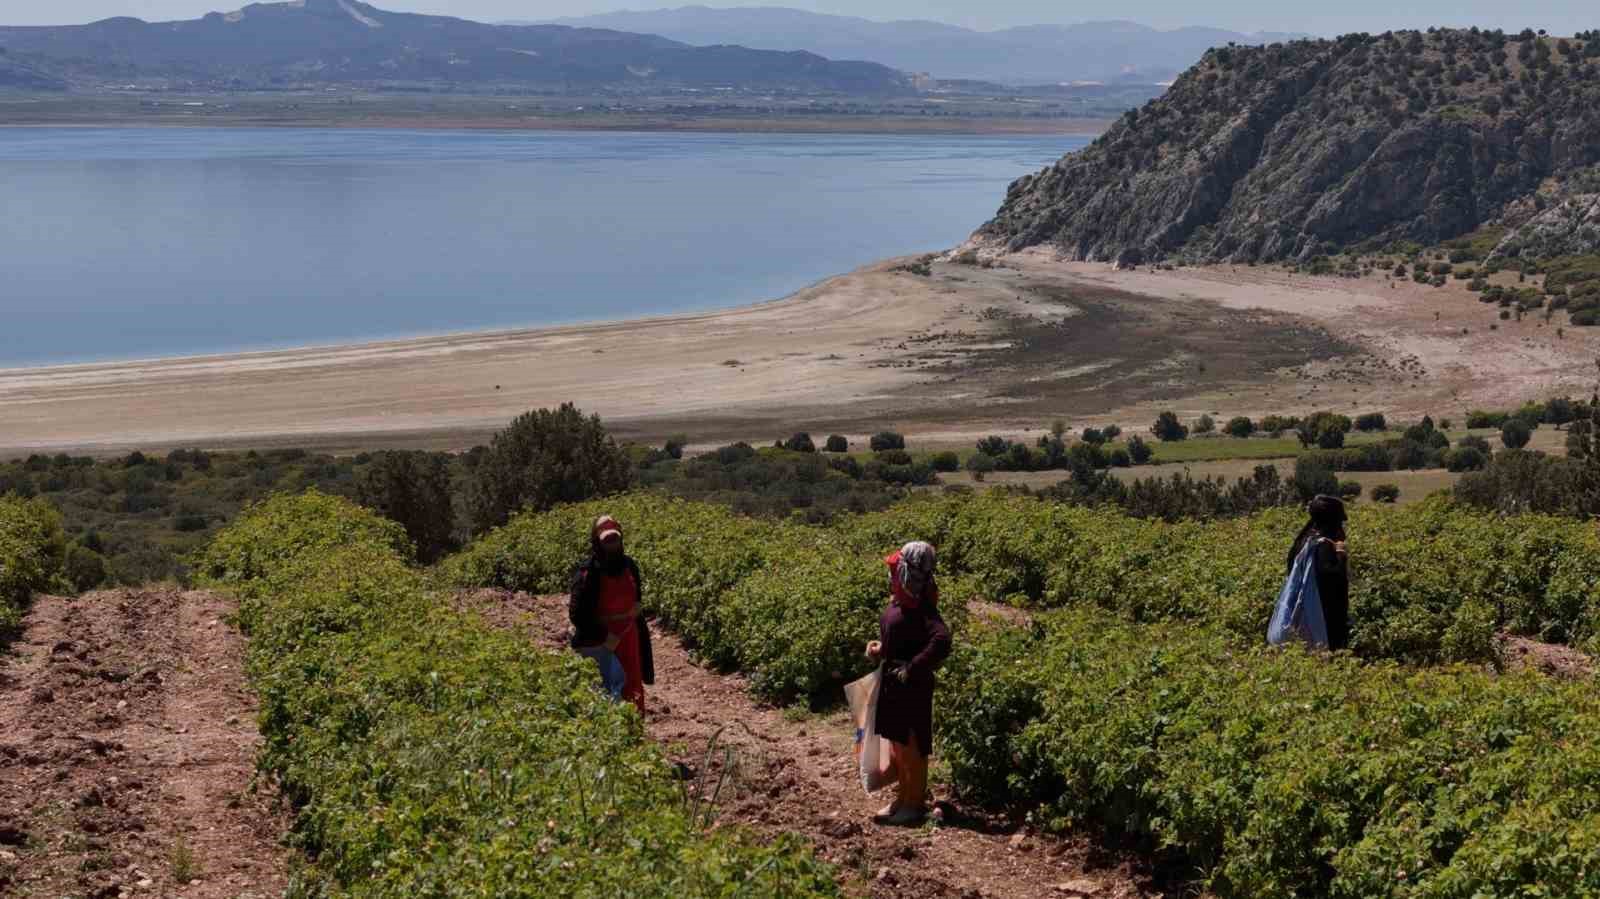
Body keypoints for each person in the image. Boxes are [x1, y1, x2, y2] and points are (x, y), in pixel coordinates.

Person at [865, 540, 952, 826]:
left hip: (911, 689)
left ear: (906, 574)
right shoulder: (901, 602)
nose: (891, 577)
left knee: (911, 746)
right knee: (898, 746)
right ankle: (903, 797)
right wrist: (881, 651)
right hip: (894, 686)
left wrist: (912, 668)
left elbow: (942, 641)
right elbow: (897, 635)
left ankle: (913, 804)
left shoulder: (924, 610)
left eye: (894, 571)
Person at [569, 515, 654, 712]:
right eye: (607, 540)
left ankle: (635, 734)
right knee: (606, 688)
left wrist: (636, 609)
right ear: (597, 541)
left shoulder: (630, 566)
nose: (612, 544)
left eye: (614, 539)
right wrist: (604, 637)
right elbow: (577, 615)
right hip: (600, 642)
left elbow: (637, 596)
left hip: (628, 637)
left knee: (632, 685)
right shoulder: (588, 573)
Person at [1287, 495, 1350, 650]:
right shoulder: (1324, 545)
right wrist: (1341, 555)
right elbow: (1331, 576)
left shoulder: (1304, 540)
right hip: (1322, 615)